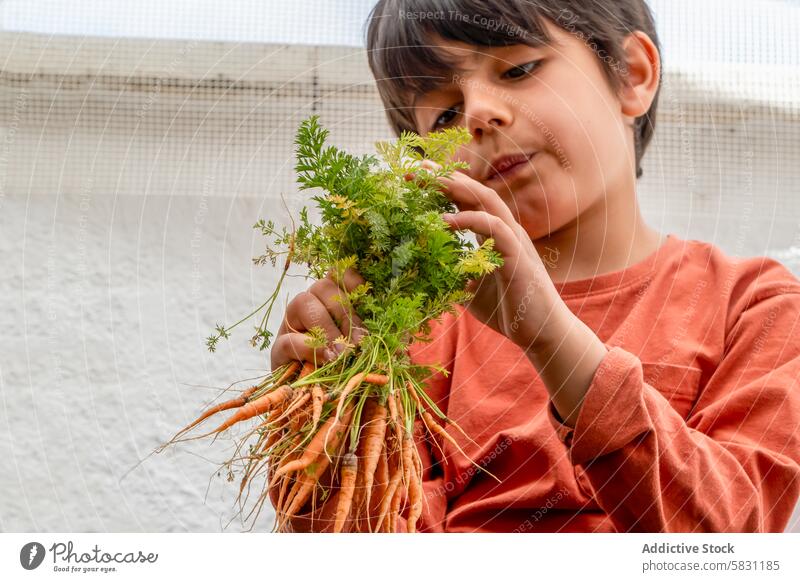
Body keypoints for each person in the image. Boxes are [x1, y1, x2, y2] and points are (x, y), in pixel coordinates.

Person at [268, 0, 800, 532]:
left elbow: (730, 538)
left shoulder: (756, 306)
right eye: (446, 114)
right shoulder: (418, 335)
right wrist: (332, 434)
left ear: (631, 74)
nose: (479, 114)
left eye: (518, 69)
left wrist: (551, 339)